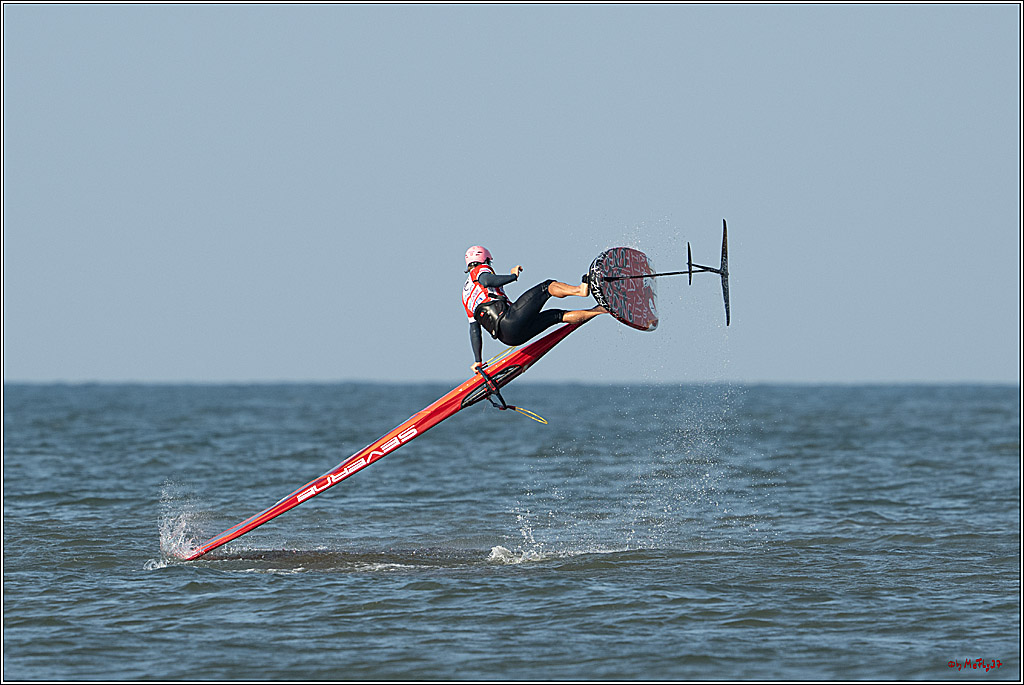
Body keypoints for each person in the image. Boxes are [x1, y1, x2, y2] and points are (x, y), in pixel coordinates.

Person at [462, 245, 606, 372]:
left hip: (509, 338)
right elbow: (487, 280)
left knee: (556, 315)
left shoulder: (465, 295)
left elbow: (474, 330)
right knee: (547, 287)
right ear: (485, 260)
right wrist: (513, 276)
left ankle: (600, 310)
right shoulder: (480, 270)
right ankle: (580, 290)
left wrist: (478, 360)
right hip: (510, 320)